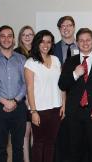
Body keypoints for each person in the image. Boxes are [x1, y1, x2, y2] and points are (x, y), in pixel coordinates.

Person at [58, 28, 92, 162]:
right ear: (77, 43)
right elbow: (62, 85)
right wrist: (75, 74)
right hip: (74, 113)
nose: (85, 43)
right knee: (75, 151)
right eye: (82, 40)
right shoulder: (70, 61)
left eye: (88, 40)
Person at [0, 25, 27, 162]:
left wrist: (15, 100)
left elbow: (26, 83)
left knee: (18, 146)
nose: (6, 39)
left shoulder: (22, 59)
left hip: (19, 108)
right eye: (3, 36)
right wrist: (4, 101)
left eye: (9, 36)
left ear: (13, 39)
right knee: (1, 146)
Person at [24, 30, 66, 162]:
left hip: (56, 108)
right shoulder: (30, 62)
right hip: (39, 110)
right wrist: (33, 111)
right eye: (42, 41)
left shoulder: (55, 60)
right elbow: (29, 89)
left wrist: (63, 105)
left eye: (48, 41)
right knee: (38, 143)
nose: (45, 45)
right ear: (37, 43)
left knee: (51, 143)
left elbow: (61, 85)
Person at [53, 15, 78, 162]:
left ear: (74, 27)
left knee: (75, 131)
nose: (66, 28)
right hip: (57, 92)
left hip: (76, 94)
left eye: (69, 25)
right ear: (59, 29)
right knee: (60, 131)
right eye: (63, 26)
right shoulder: (53, 48)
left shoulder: (82, 47)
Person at [14, 25, 35, 162]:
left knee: (36, 133)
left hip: (37, 97)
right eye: (24, 35)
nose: (27, 37)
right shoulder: (15, 53)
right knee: (25, 133)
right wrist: (25, 97)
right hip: (22, 98)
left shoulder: (39, 52)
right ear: (20, 37)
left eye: (30, 34)